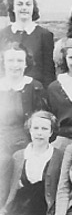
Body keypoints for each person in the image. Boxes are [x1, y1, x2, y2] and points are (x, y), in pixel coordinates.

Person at [0, 45, 48, 203]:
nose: (15, 64)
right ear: (3, 62)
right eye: (11, 60)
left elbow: (42, 119)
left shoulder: (35, 87)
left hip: (27, 142)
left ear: (26, 63)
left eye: (19, 60)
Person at [0, 0, 55, 87]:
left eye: (28, 4)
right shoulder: (3, 34)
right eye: (20, 4)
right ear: (13, 8)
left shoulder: (44, 35)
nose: (24, 8)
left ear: (33, 8)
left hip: (35, 92)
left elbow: (48, 72)